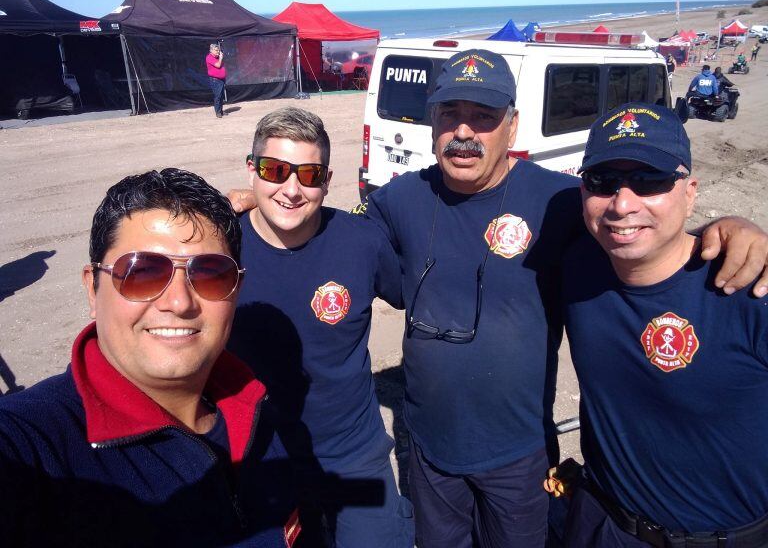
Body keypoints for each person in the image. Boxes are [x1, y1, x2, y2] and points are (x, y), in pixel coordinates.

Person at [356, 49, 768, 547]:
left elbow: (639, 232)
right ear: (433, 123)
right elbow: (334, 245)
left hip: (519, 452)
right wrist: (251, 208)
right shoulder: (398, 199)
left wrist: (730, 230)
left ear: (512, 126)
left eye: (484, 117)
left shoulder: (558, 201)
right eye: (450, 115)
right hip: (430, 450)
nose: (464, 132)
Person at [0, 168, 301, 547]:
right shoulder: (32, 447)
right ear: (93, 289)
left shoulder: (257, 411)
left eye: (209, 274)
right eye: (142, 272)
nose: (179, 302)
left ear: (236, 290)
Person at [561, 103, 768, 547]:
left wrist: (741, 227)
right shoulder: (577, 266)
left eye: (649, 181)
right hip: (604, 527)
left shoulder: (749, 289)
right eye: (603, 182)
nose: (622, 203)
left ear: (690, 191)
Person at [227, 107, 414, 548]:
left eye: (309, 175)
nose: (292, 189)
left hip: (354, 454)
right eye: (275, 170)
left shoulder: (360, 241)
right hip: (263, 457)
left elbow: (413, 295)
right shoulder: (221, 247)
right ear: (252, 170)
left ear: (327, 180)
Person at [206, 43, 226, 118]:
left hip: (221, 79)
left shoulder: (218, 57)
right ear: (211, 50)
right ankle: (218, 112)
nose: (218, 52)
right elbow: (218, 65)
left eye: (218, 50)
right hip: (215, 80)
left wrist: (220, 57)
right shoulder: (209, 57)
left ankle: (220, 111)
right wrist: (220, 58)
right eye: (216, 50)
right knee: (218, 96)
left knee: (221, 96)